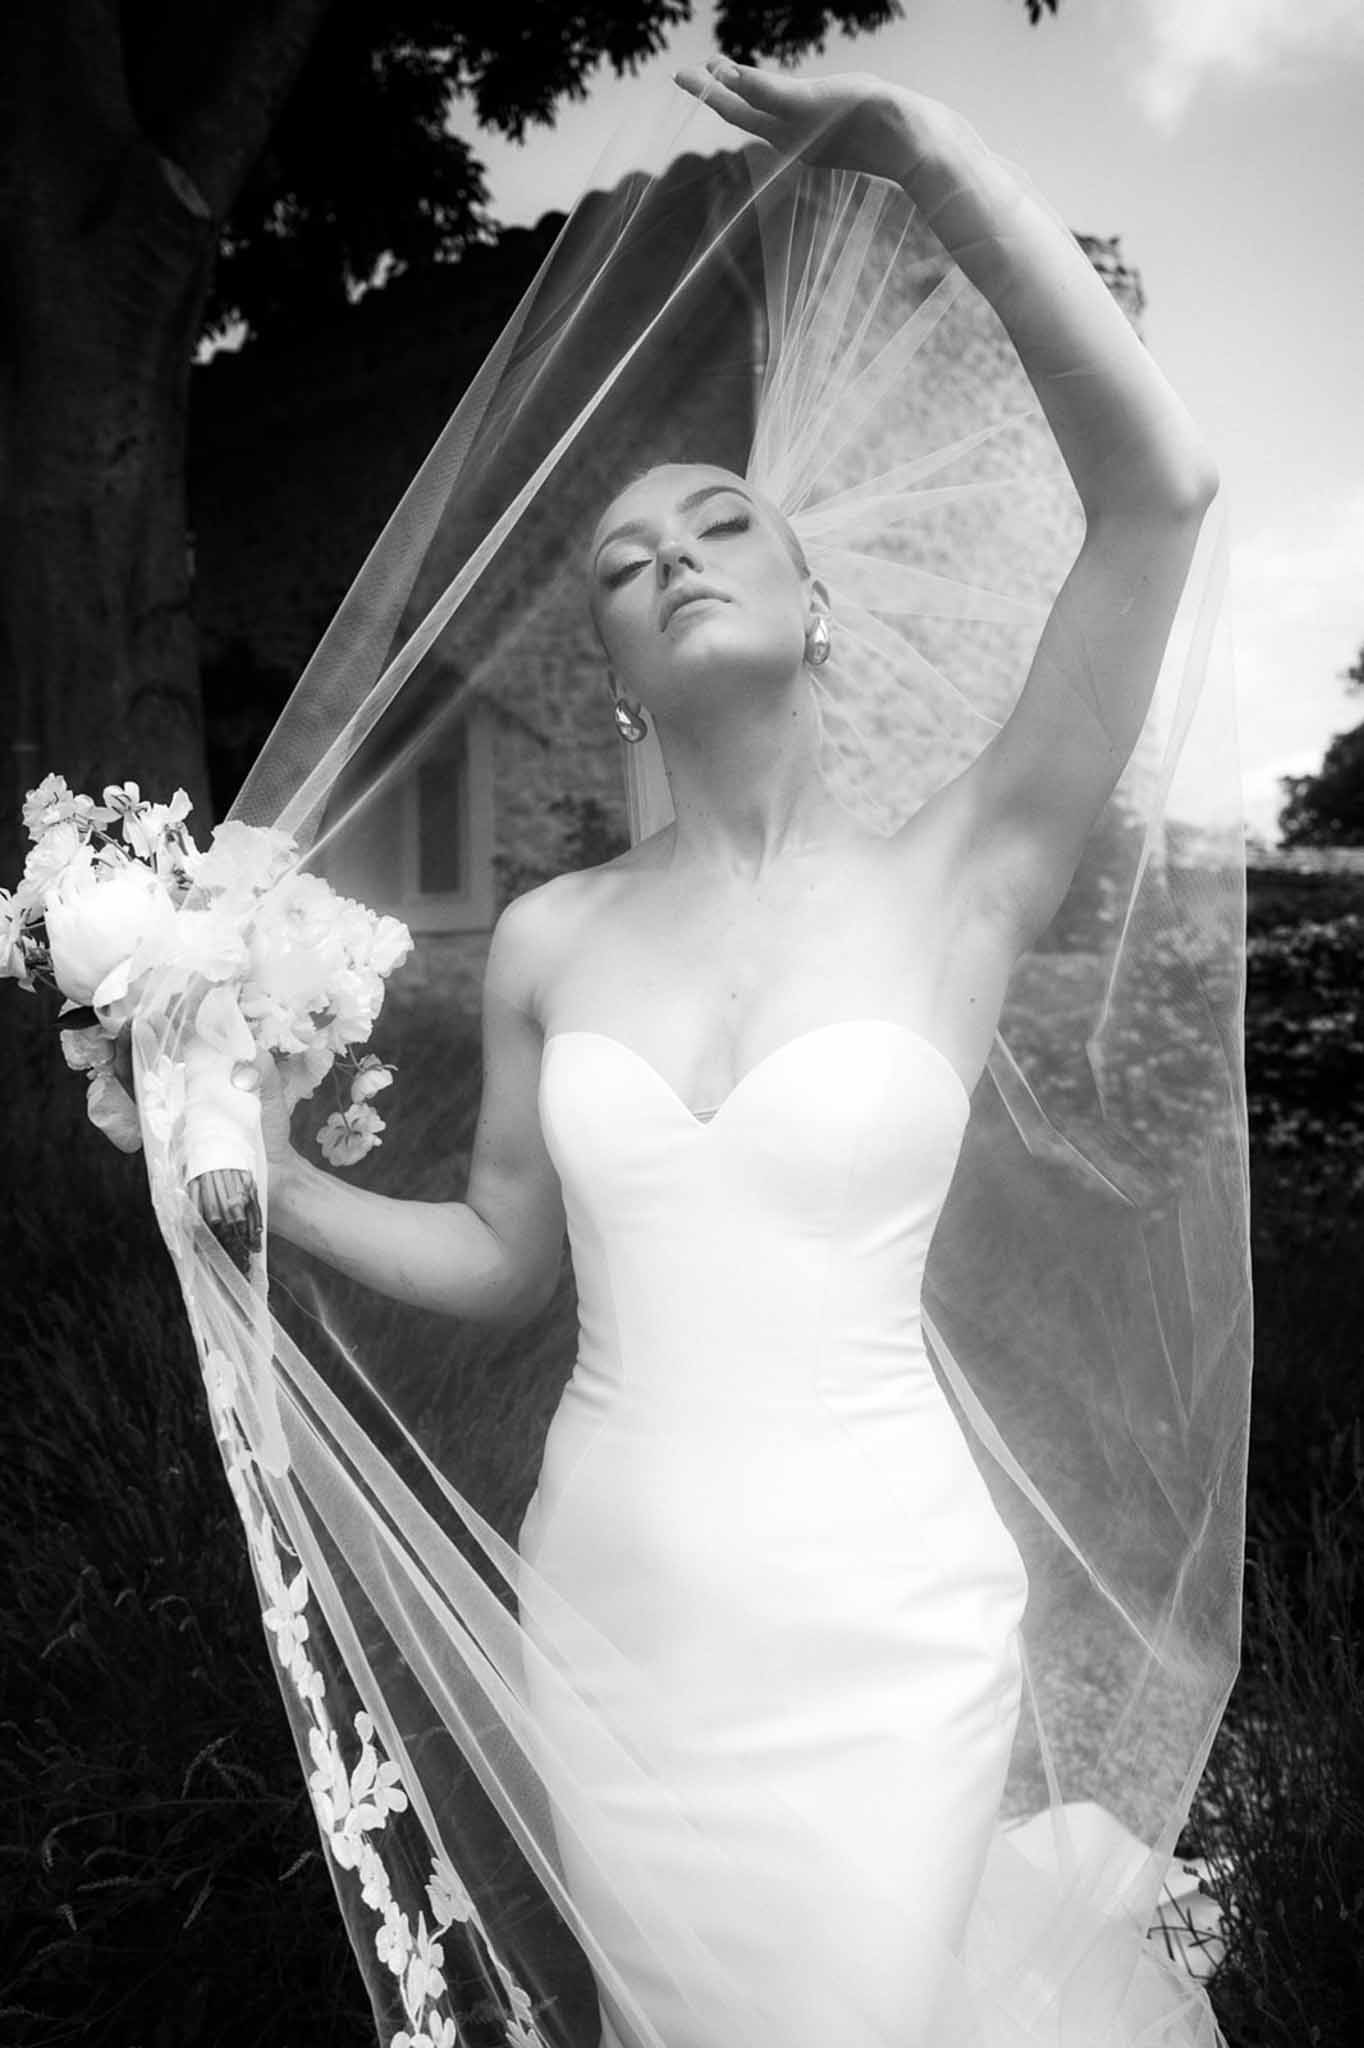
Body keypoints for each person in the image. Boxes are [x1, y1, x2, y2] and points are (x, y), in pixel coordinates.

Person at [216, 60, 1240, 2048]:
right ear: (606, 665)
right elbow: (509, 1252)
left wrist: (927, 157)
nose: (670, 550)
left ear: (814, 602)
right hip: (619, 1610)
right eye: (619, 556)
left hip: (882, 1613)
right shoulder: (549, 936)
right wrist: (282, 1183)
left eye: (719, 519)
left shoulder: (967, 866)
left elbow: (1160, 496)